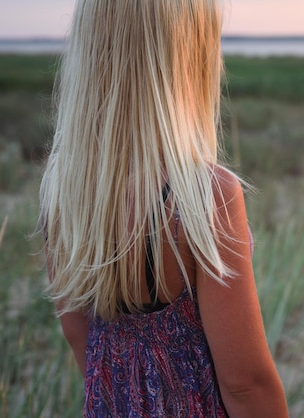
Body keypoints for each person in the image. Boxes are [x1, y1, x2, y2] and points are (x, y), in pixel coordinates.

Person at [38, 1, 288, 416]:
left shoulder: (63, 190)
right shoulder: (203, 196)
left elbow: (77, 331)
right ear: (191, 54)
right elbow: (245, 384)